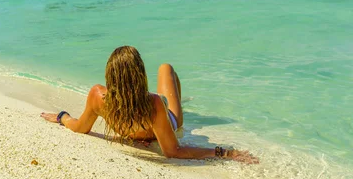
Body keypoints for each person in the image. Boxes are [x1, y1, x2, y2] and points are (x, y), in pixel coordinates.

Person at [41, 46, 258, 163]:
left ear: (110, 75)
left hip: (153, 117)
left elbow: (80, 127)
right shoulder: (153, 103)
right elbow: (174, 151)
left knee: (164, 87)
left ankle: (178, 102)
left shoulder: (98, 96)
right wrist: (225, 153)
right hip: (168, 121)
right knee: (165, 68)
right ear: (140, 75)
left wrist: (62, 117)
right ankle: (178, 104)